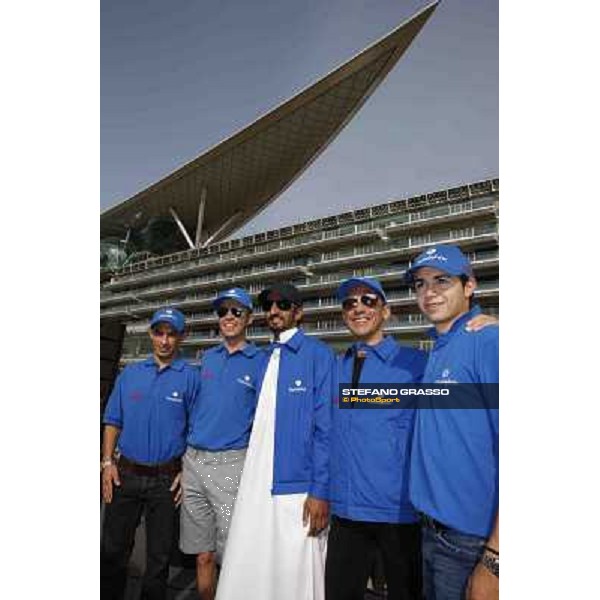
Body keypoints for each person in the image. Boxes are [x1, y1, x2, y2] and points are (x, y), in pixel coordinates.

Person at [215, 282, 335, 600]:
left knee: (296, 576)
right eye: (269, 306)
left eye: (283, 305)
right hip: (255, 483)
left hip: (297, 487)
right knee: (253, 568)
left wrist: (320, 490)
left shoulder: (319, 355)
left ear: (298, 312)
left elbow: (327, 428)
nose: (274, 311)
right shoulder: (262, 357)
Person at [405, 244, 499, 600]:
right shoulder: (440, 348)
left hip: (471, 542)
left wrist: (495, 559)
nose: (429, 293)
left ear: (469, 286)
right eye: (420, 284)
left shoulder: (488, 340)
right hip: (431, 531)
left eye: (441, 281)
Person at [326, 276, 427, 600]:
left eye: (368, 300)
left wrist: (482, 324)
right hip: (345, 513)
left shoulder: (416, 366)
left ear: (386, 311)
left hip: (397, 514)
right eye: (349, 303)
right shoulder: (335, 367)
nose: (358, 308)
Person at [101, 307, 200, 600]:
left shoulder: (191, 379)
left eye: (172, 334)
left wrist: (186, 470)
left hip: (166, 481)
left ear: (182, 337)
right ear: (151, 334)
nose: (165, 341)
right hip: (125, 475)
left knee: (158, 558)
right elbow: (112, 421)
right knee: (112, 551)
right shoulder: (130, 374)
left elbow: (195, 429)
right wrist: (106, 462)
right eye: (160, 333)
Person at [179, 288, 264, 600]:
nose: (228, 317)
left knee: (232, 554)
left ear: (249, 318)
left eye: (236, 311)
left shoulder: (260, 361)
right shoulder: (207, 359)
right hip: (193, 461)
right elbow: (192, 412)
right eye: (223, 312)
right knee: (202, 554)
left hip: (231, 464)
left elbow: (263, 421)